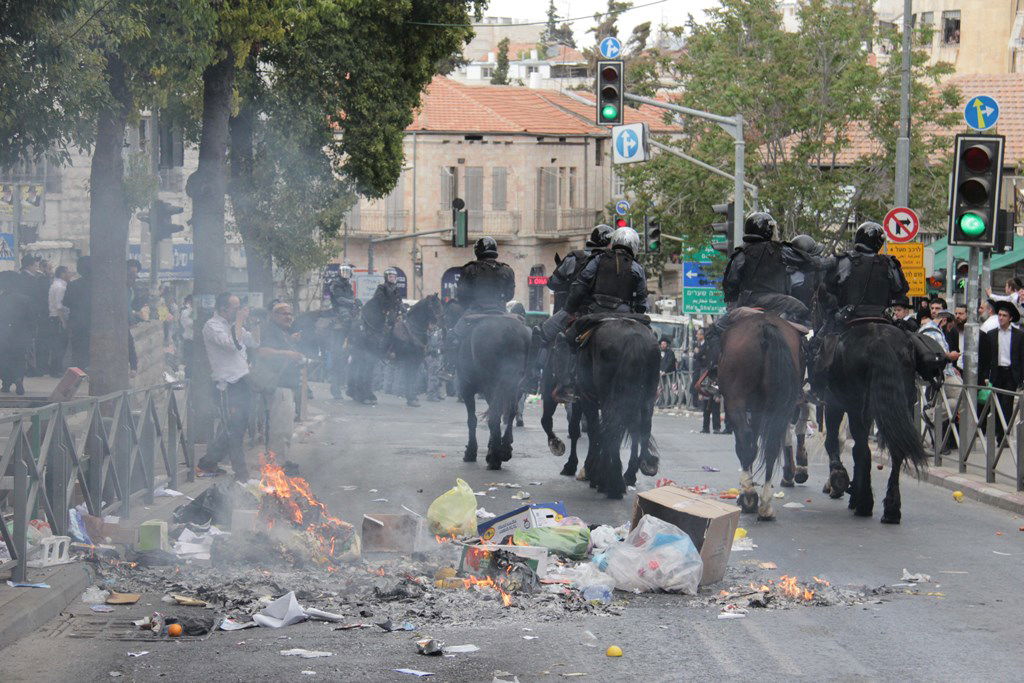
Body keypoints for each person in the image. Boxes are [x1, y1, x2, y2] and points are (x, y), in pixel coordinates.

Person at [699, 212, 807, 392]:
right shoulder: (783, 252)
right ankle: (803, 382)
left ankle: (715, 373)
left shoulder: (741, 254)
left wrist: (733, 301)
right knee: (804, 335)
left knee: (713, 332)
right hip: (781, 309)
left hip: (748, 307)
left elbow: (731, 283)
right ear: (768, 230)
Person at [525, 225, 614, 390]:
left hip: (577, 312)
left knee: (540, 333)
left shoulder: (575, 258)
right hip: (610, 313)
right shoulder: (617, 261)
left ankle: (531, 379)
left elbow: (553, 283)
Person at [198, 293, 257, 481]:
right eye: (236, 308)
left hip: (242, 382)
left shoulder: (234, 326)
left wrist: (255, 323)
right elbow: (232, 345)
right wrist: (239, 321)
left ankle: (208, 462)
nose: (239, 311)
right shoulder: (212, 326)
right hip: (226, 385)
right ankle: (242, 475)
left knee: (237, 426)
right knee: (233, 431)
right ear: (224, 308)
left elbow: (254, 341)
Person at [446, 237, 516, 370]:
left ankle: (448, 368)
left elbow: (461, 296)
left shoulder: (470, 269)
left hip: (475, 311)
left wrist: (469, 305)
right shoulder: (507, 270)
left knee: (452, 337)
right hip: (501, 311)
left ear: (477, 251)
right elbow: (510, 295)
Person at [255, 303, 306, 458]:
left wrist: (291, 342)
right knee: (281, 428)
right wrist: (287, 353)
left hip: (286, 385)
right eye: (284, 314)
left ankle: (280, 461)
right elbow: (262, 351)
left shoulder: (282, 332)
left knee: (285, 426)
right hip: (279, 385)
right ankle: (276, 464)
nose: (288, 317)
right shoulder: (270, 331)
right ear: (274, 315)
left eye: (290, 314)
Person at [565, 226, 647, 315]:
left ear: (614, 241)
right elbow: (641, 300)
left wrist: (569, 310)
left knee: (558, 322)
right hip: (624, 313)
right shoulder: (637, 267)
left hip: (596, 311)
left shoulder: (598, 259)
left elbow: (580, 284)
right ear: (634, 245)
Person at [979, 300, 1024, 444]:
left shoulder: (1019, 335)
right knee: (996, 404)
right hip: (996, 373)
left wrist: (1021, 377)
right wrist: (985, 376)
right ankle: (998, 431)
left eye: (1004, 316)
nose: (1001, 318)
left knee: (1007, 404)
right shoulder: (991, 334)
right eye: (999, 315)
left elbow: (1021, 357)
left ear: (1010, 318)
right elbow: (985, 357)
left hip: (1011, 374)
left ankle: (1003, 436)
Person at [919, 310, 962, 454]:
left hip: (937, 375)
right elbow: (940, 355)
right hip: (942, 375)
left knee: (943, 405)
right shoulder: (935, 333)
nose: (949, 330)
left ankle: (938, 445)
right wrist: (951, 357)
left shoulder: (926, 329)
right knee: (963, 397)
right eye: (949, 326)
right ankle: (931, 415)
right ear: (944, 320)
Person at [547, 224, 613, 313]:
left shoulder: (573, 258)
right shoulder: (612, 261)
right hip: (603, 311)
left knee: (551, 322)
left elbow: (553, 282)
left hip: (572, 312)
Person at [0, 271, 34, 395]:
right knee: (19, 358)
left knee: (4, 359)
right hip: (21, 335)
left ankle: (6, 383)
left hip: (4, 335)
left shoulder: (2, 299)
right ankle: (19, 379)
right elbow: (31, 320)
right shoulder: (25, 299)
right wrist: (30, 335)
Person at [63, 256, 92, 370]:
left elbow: (66, 302)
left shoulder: (73, 285)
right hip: (94, 323)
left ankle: (80, 371)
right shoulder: (100, 285)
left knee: (78, 351)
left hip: (77, 323)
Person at [45, 265, 72, 376]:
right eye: (68, 272)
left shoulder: (55, 284)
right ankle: (56, 370)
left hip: (54, 318)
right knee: (60, 345)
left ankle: (55, 368)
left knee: (57, 345)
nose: (70, 274)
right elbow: (59, 307)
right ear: (62, 274)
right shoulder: (61, 287)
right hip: (58, 319)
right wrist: (64, 322)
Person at [424, 322, 445, 402]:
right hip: (432, 356)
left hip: (437, 355)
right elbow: (433, 344)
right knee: (433, 376)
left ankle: (436, 393)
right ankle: (431, 395)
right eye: (431, 324)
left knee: (437, 376)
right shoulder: (431, 333)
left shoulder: (436, 332)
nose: (433, 326)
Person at [179, 294, 194, 377]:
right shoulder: (185, 312)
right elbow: (189, 324)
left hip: (198, 342)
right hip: (189, 341)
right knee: (189, 363)